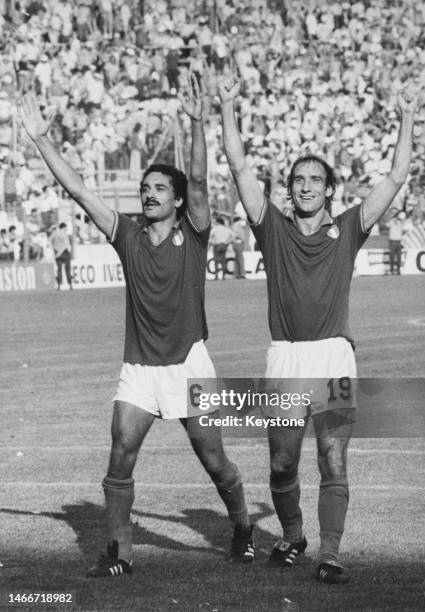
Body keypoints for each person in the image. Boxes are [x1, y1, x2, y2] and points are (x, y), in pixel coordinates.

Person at [17, 76, 254, 578]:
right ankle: (119, 552)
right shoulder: (126, 234)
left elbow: (203, 183)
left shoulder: (194, 234)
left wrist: (194, 122)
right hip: (140, 368)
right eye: (145, 189)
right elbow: (79, 189)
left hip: (189, 364)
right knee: (120, 454)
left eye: (159, 189)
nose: (148, 195)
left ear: (177, 199)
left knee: (214, 462)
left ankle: (241, 526)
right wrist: (41, 141)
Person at [219, 73, 418, 584]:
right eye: (298, 181)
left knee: (333, 457)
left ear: (330, 189)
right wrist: (227, 109)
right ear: (289, 191)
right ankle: (292, 534)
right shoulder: (273, 228)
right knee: (283, 464)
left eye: (315, 180)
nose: (305, 187)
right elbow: (239, 165)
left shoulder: (349, 227)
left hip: (333, 357)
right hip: (286, 359)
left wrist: (407, 118)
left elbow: (395, 178)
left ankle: (329, 552)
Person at [50, 222, 73, 289]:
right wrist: (60, 252)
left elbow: (50, 241)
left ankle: (59, 285)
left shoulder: (54, 233)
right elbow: (66, 244)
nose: (66, 229)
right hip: (64, 253)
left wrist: (54, 251)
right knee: (67, 269)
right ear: (63, 227)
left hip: (57, 253)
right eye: (66, 228)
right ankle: (70, 285)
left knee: (59, 269)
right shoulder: (64, 234)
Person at [231, 215, 247, 279]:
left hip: (236, 243)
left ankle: (236, 274)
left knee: (237, 259)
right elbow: (237, 235)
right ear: (238, 220)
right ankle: (242, 274)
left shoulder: (234, 226)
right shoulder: (236, 226)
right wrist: (243, 240)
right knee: (241, 259)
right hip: (238, 243)